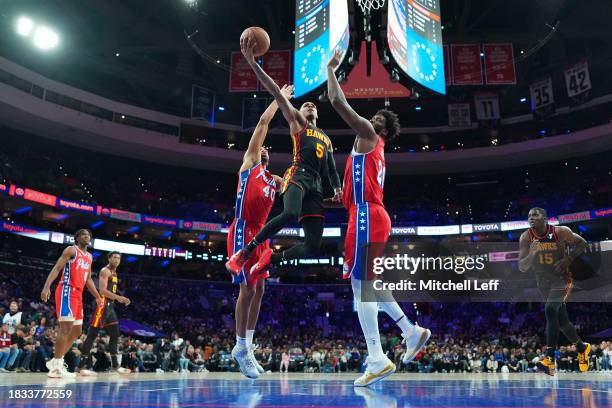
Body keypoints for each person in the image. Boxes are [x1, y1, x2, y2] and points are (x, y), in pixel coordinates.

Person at [326, 49, 430, 386]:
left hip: (368, 215)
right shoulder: (367, 149)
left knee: (361, 287)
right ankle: (410, 331)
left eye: (379, 117)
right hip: (367, 213)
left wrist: (330, 69)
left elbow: (337, 101)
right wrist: (334, 198)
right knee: (369, 283)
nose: (374, 117)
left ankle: (376, 357)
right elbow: (348, 196)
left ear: (380, 128)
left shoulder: (370, 136)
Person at [226, 35, 342, 279]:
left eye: (313, 105)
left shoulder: (327, 139)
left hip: (317, 187)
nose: (309, 105)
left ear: (318, 114)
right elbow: (274, 92)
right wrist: (253, 64)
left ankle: (272, 259)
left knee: (312, 246)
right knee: (289, 213)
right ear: (298, 112)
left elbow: (331, 170)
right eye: (305, 104)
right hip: (297, 174)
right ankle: (244, 254)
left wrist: (337, 190)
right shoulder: (298, 123)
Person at [226, 88, 291, 379]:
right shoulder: (250, 164)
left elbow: (292, 186)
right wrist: (280, 100)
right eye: (260, 147)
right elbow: (262, 125)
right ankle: (240, 346)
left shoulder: (275, 181)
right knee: (248, 288)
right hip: (242, 230)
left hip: (262, 236)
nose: (263, 149)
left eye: (267, 150)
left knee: (261, 289)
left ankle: (247, 346)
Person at [518, 207, 590, 376]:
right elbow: (522, 267)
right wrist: (532, 253)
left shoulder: (560, 232)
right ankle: (582, 348)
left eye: (535, 215)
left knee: (550, 310)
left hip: (562, 279)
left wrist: (568, 259)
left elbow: (583, 243)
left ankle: (550, 359)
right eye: (529, 216)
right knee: (563, 322)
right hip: (542, 283)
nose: (531, 218)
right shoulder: (526, 237)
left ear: (545, 218)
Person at [40, 229, 102, 378]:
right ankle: (55, 367)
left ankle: (57, 361)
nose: (87, 236)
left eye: (89, 235)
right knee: (66, 328)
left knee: (77, 331)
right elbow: (57, 268)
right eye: (84, 235)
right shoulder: (71, 250)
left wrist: (98, 296)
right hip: (66, 290)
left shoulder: (89, 257)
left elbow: (88, 280)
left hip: (78, 294)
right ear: (77, 238)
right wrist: (46, 287)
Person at [78, 251, 131, 375]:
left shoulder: (115, 272)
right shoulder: (105, 271)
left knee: (115, 333)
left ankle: (115, 366)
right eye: (114, 257)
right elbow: (102, 291)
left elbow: (111, 290)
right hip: (102, 305)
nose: (117, 260)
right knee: (92, 335)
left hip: (110, 306)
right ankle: (81, 366)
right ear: (109, 258)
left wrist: (117, 298)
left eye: (119, 258)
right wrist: (120, 298)